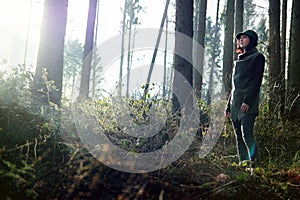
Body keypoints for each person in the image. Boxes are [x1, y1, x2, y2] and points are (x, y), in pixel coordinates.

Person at [225, 30, 265, 167]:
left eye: (244, 37)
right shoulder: (239, 60)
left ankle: (255, 167)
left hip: (248, 102)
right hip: (235, 103)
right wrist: (228, 106)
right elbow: (233, 86)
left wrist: (247, 101)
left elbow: (256, 81)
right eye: (240, 38)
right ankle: (243, 166)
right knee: (238, 138)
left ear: (252, 40)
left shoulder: (258, 57)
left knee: (246, 134)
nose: (241, 40)